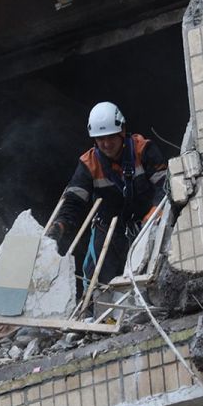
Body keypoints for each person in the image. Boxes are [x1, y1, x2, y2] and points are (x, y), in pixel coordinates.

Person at [47, 102, 169, 288]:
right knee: (96, 280)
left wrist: (156, 210)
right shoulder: (89, 164)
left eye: (111, 137)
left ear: (122, 131)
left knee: (151, 274)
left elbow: (165, 184)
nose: (106, 144)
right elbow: (74, 201)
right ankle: (94, 306)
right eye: (100, 138)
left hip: (148, 224)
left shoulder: (143, 150)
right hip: (109, 230)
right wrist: (59, 225)